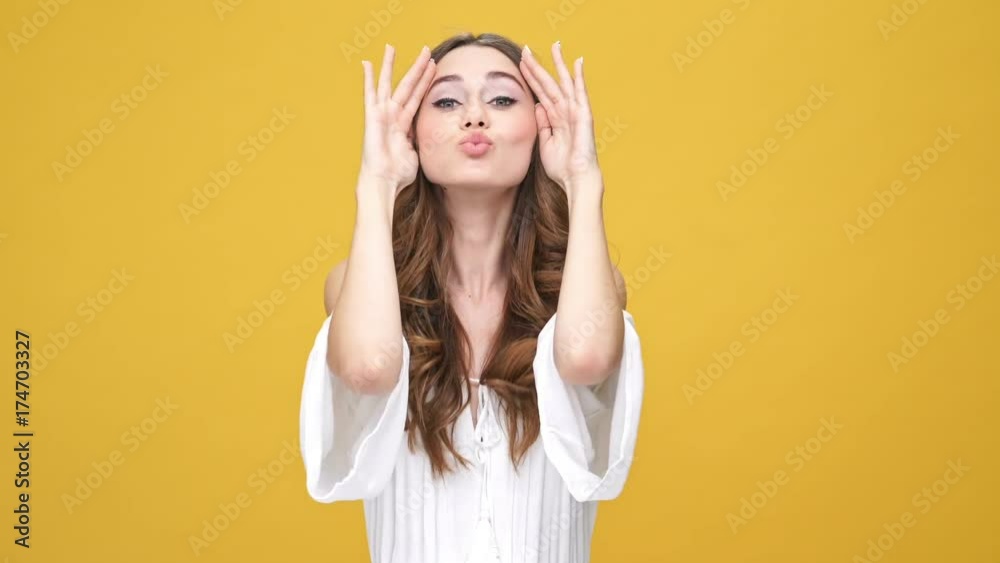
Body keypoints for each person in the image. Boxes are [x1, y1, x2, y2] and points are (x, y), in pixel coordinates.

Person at [298, 32, 645, 563]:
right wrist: (377, 183)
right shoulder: (360, 286)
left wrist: (583, 180)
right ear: (412, 131)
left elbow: (586, 357)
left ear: (540, 126)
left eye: (503, 99)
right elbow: (368, 368)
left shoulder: (586, 285)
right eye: (447, 101)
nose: (475, 116)